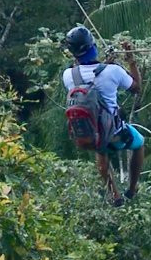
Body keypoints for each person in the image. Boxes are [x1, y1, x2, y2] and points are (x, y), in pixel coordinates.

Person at [62, 25, 144, 206]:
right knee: (139, 143)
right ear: (93, 47)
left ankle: (114, 193)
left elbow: (90, 78)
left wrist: (106, 63)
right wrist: (131, 61)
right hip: (114, 133)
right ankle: (131, 188)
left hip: (86, 134)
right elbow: (137, 88)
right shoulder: (113, 71)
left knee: (100, 147)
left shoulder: (68, 75)